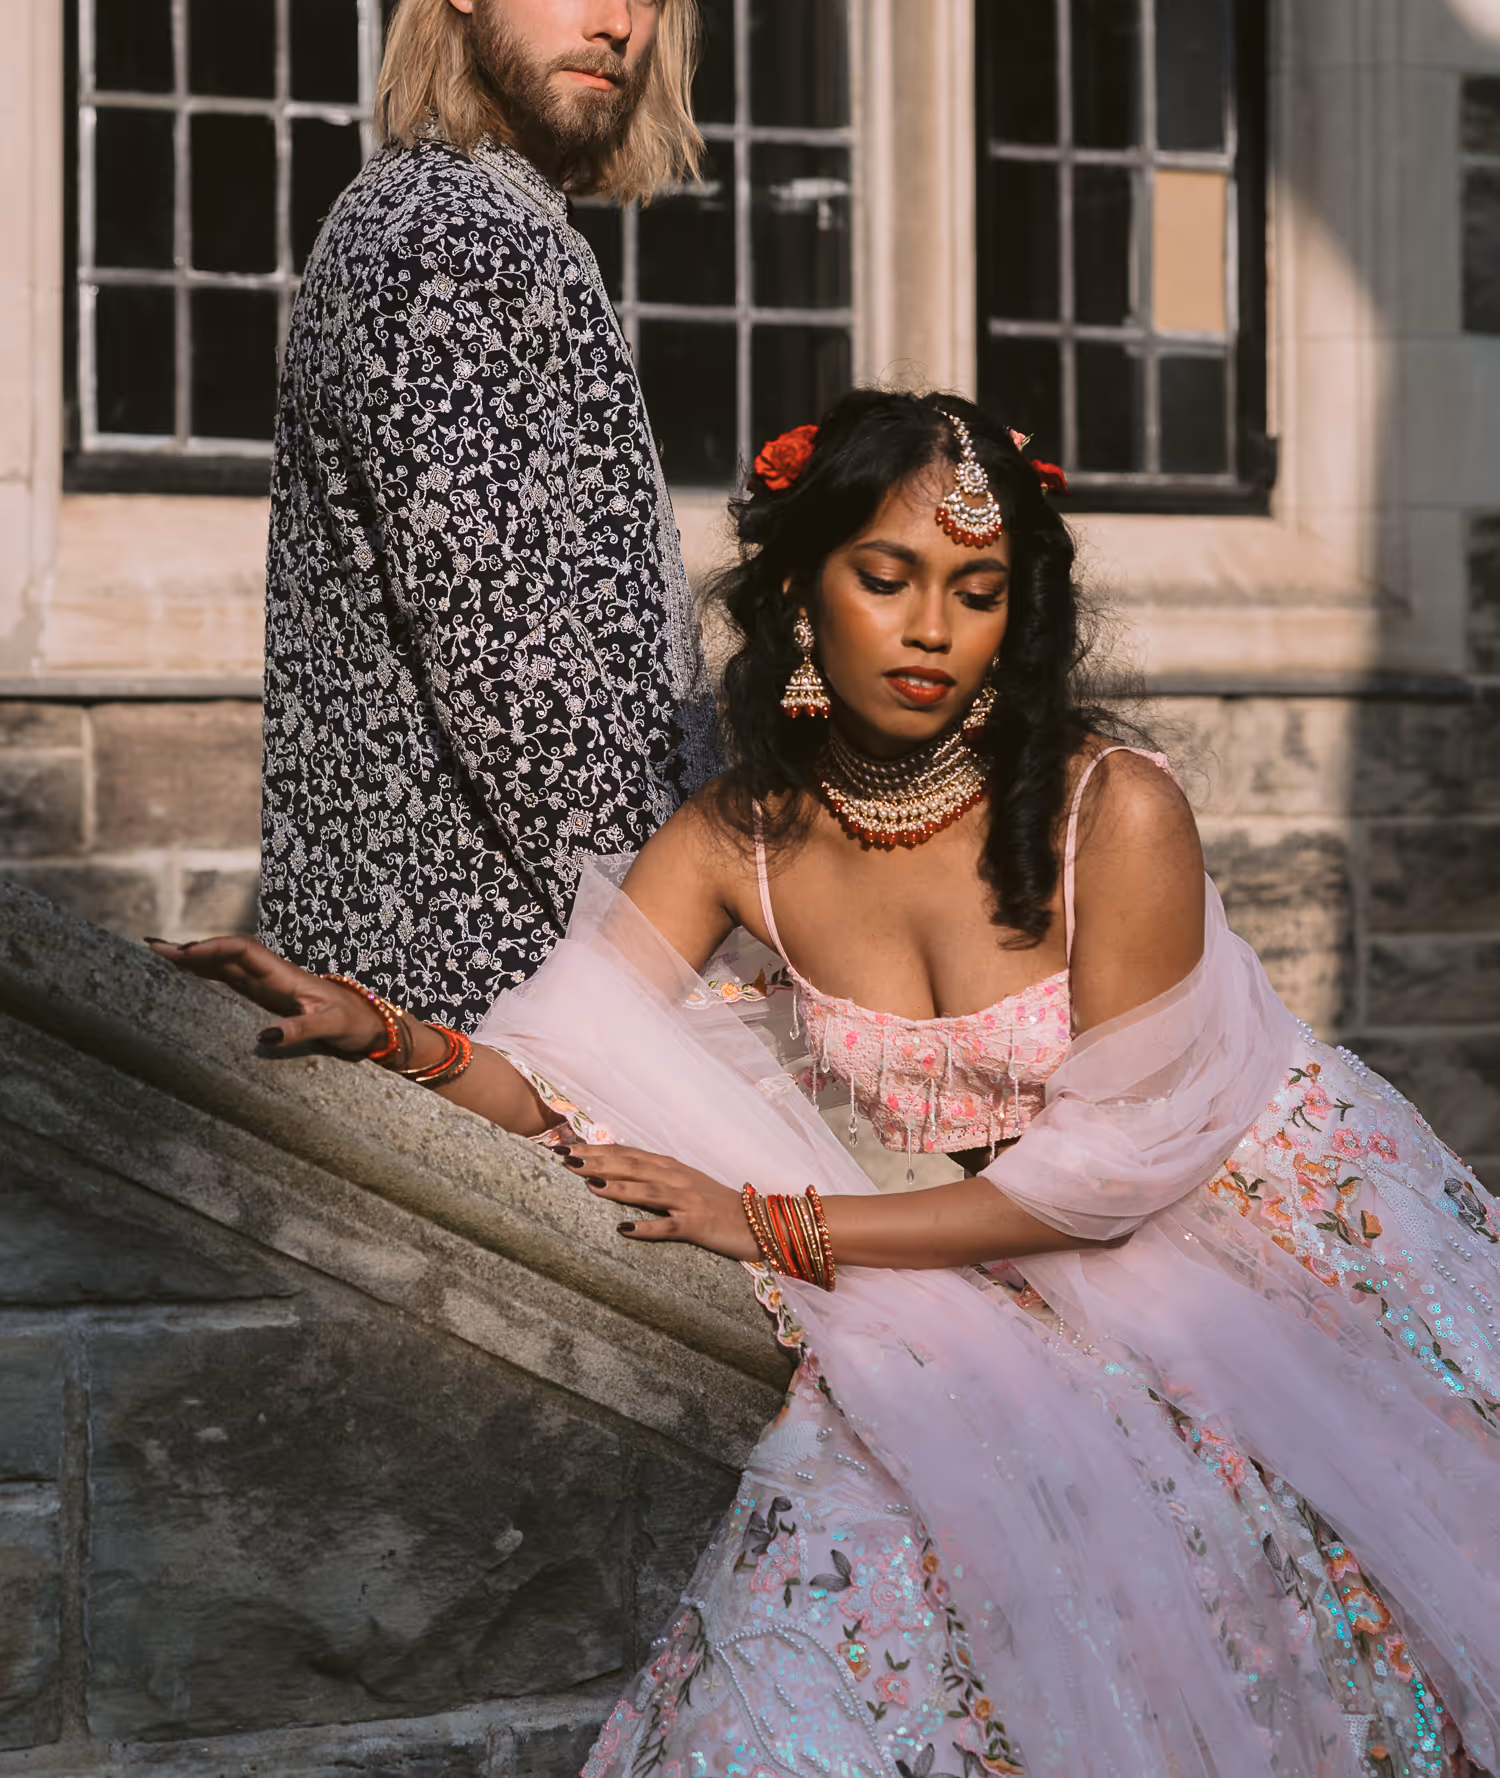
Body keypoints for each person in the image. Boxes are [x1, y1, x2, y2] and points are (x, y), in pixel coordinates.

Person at [157, 390, 1500, 1778]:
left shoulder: (1119, 807)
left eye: (978, 592)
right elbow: (556, 1065)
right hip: (1015, 1271)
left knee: (1355, 1638)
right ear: (802, 586)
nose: (932, 629)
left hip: (1295, 1255)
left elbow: (1108, 1178)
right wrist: (385, 1033)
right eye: (887, 576)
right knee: (840, 1580)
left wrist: (774, 1220)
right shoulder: (741, 832)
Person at [258, 0, 718, 1032]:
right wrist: (682, 952)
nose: (614, 21)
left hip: (503, 953)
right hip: (497, 971)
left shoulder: (479, 217)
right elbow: (514, 670)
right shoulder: (450, 236)